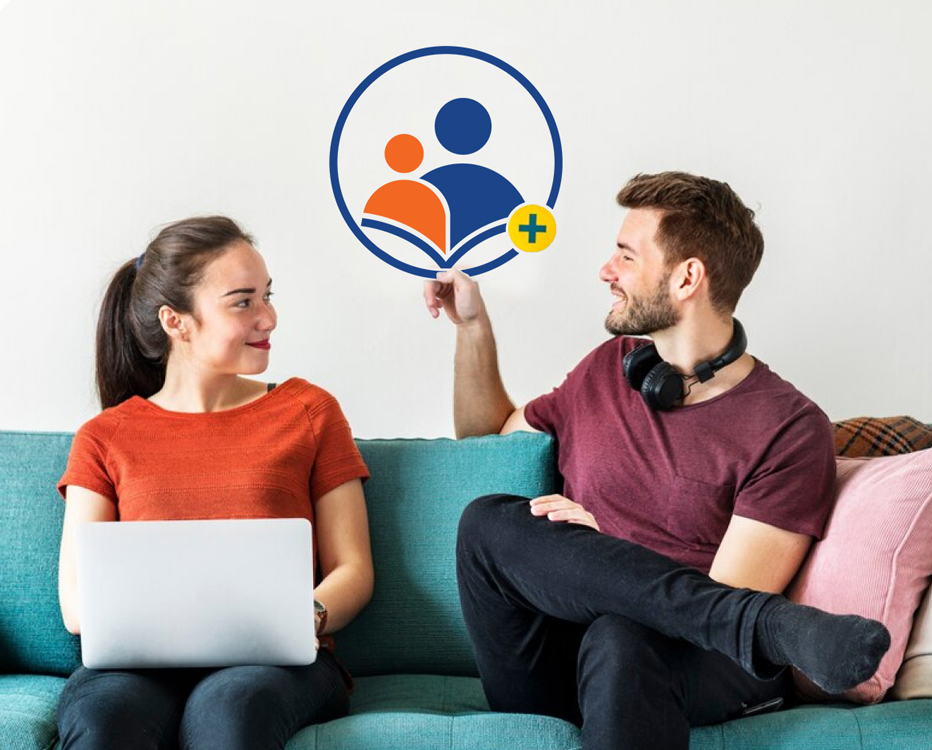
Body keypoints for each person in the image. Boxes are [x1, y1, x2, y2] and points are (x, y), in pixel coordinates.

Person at [422, 172, 891, 750]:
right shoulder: (606, 368)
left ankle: (759, 628)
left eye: (625, 255)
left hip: (682, 660)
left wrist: (604, 543)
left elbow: (726, 593)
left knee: (625, 636)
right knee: (485, 520)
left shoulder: (788, 427)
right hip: (555, 663)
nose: (605, 270)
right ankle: (774, 629)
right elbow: (489, 435)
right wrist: (472, 327)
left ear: (686, 277)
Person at [56, 216, 373, 750]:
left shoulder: (309, 411)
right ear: (176, 322)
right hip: (137, 669)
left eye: (268, 296)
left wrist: (305, 617)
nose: (268, 317)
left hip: (272, 664)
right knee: (107, 721)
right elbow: (78, 605)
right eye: (243, 302)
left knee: (229, 711)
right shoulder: (104, 436)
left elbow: (354, 568)